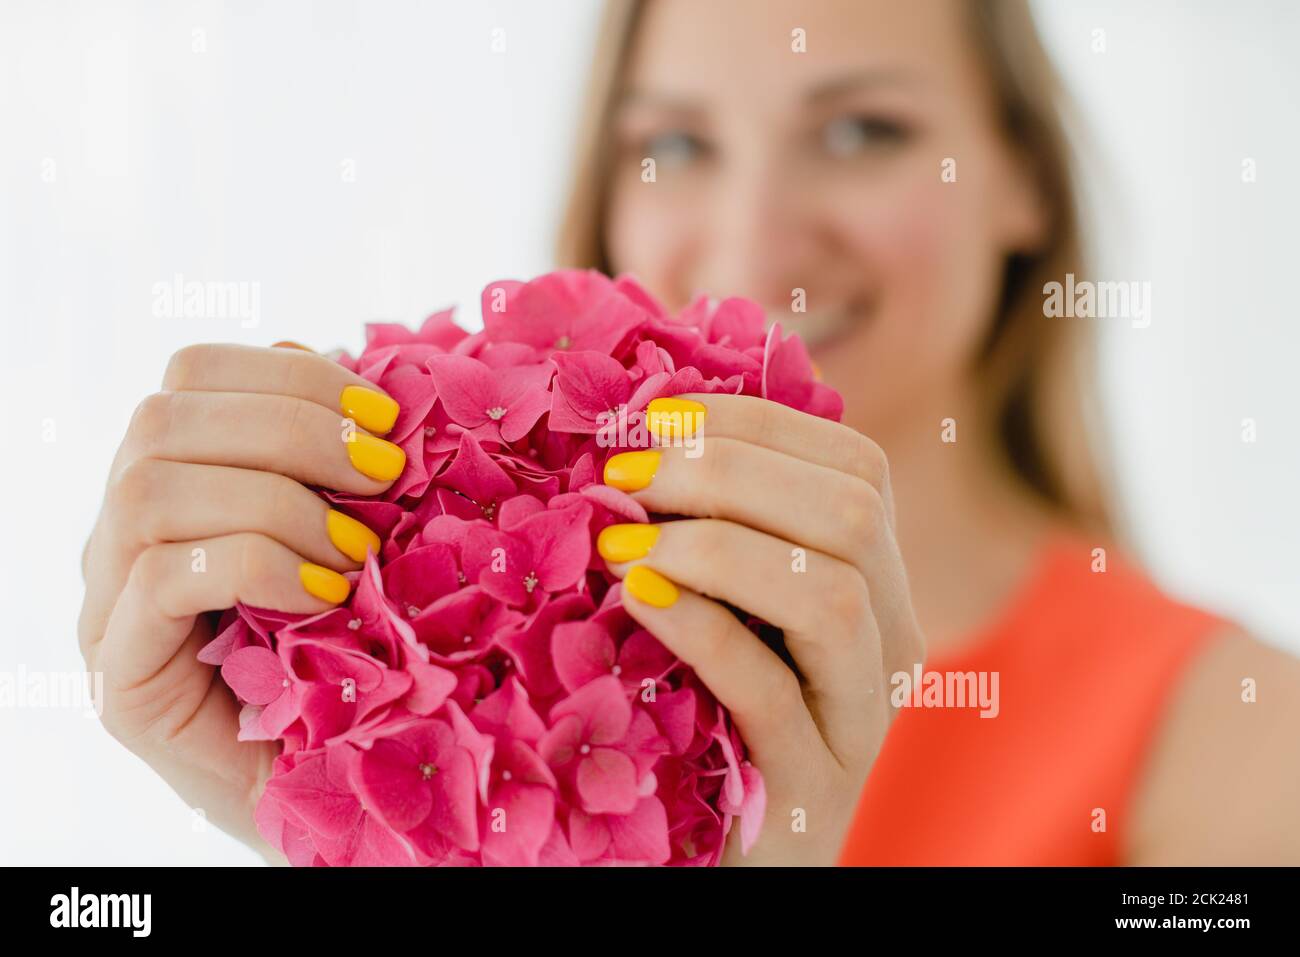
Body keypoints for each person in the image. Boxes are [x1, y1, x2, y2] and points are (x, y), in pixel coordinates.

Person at [78, 0, 1300, 865]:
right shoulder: (452, 643)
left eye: (863, 128)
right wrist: (349, 822)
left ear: (1020, 176)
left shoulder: (1242, 742)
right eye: (673, 144)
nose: (753, 239)